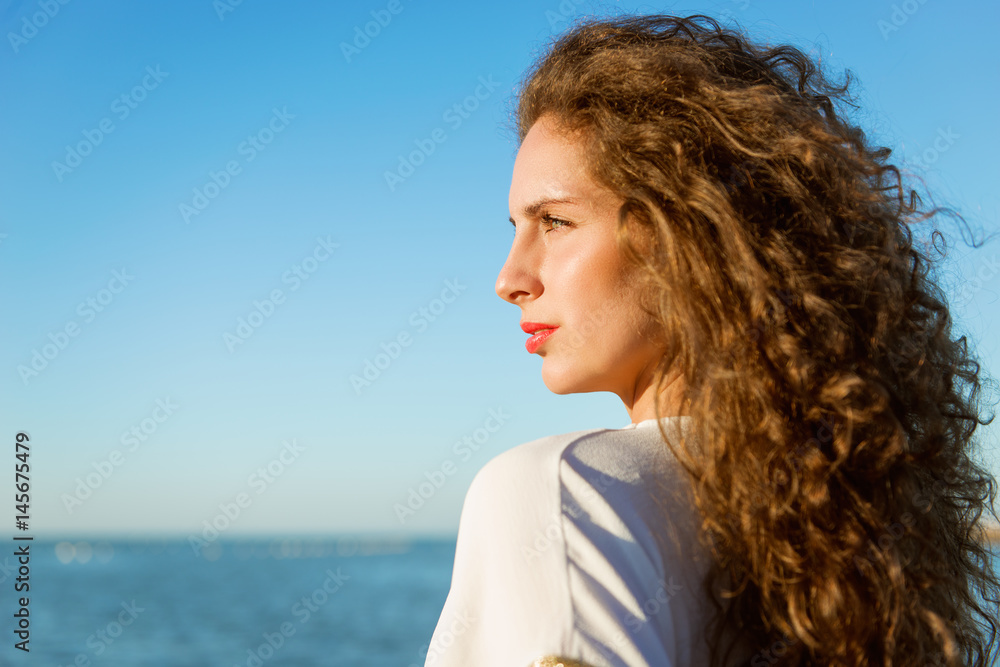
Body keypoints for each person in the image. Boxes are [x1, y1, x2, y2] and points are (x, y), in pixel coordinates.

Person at [424, 13, 1000, 667]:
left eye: (554, 222)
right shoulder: (836, 526)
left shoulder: (562, 492)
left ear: (690, 235)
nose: (509, 279)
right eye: (516, 227)